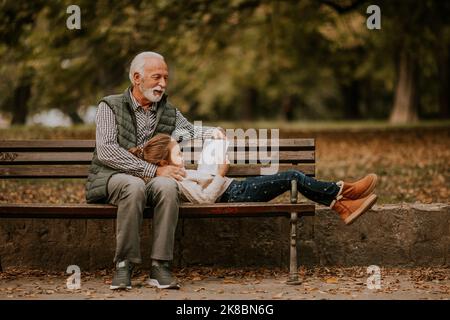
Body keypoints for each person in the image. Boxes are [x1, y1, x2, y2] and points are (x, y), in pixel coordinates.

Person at [85, 51, 226, 290]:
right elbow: (107, 152)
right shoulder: (109, 106)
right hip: (112, 177)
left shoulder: (168, 110)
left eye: (166, 78)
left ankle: (160, 266)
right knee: (134, 185)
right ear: (137, 78)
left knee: (168, 186)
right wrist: (152, 169)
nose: (162, 84)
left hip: (151, 180)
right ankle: (124, 264)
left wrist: (213, 132)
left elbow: (189, 131)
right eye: (156, 77)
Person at [129, 133, 378, 225]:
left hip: (236, 189)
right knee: (292, 176)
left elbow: (204, 178)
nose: (182, 155)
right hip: (235, 193)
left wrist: (215, 147)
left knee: (292, 177)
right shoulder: (173, 182)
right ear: (163, 162)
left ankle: (343, 202)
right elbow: (204, 200)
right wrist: (220, 173)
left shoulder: (177, 173)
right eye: (178, 153)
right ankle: (343, 193)